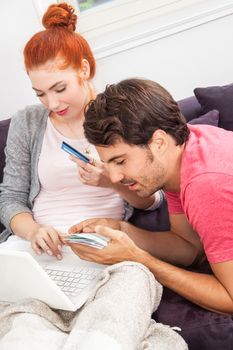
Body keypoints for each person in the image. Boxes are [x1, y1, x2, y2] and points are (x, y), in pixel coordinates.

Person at [0, 4, 160, 259]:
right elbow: (10, 199)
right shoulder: (28, 122)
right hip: (37, 250)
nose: (52, 103)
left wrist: (112, 183)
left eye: (60, 89)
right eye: (40, 93)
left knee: (129, 289)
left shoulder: (121, 115)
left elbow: (155, 198)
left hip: (103, 249)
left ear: (83, 70)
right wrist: (34, 232)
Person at [65, 78, 233, 314]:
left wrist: (140, 259)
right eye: (107, 164)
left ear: (159, 142)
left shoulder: (206, 184)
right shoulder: (183, 154)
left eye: (120, 161)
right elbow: (190, 248)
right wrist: (123, 231)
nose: (113, 177)